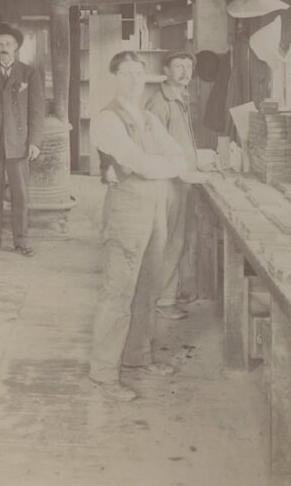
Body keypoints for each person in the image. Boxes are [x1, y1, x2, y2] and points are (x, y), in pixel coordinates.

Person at [88, 51, 207, 402]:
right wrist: (158, 165)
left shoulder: (149, 119)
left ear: (146, 78)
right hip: (127, 209)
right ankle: (103, 373)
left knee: (148, 286)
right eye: (125, 74)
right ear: (115, 77)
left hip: (155, 206)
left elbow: (178, 156)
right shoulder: (106, 119)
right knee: (118, 292)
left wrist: (156, 165)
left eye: (138, 74)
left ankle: (138, 359)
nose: (133, 80)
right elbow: (138, 161)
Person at [145, 52, 215, 321]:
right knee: (171, 241)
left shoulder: (182, 98)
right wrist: (181, 172)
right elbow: (151, 147)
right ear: (166, 70)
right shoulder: (160, 102)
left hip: (184, 180)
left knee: (182, 238)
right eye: (178, 66)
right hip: (170, 183)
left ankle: (175, 290)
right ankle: (163, 300)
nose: (185, 71)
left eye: (188, 66)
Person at [0, 24, 45, 257]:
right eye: (0, 44)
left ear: (16, 47)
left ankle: (21, 240)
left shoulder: (29, 74)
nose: (4, 48)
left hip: (19, 143)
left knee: (20, 194)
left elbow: (37, 111)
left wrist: (34, 141)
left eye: (8, 44)